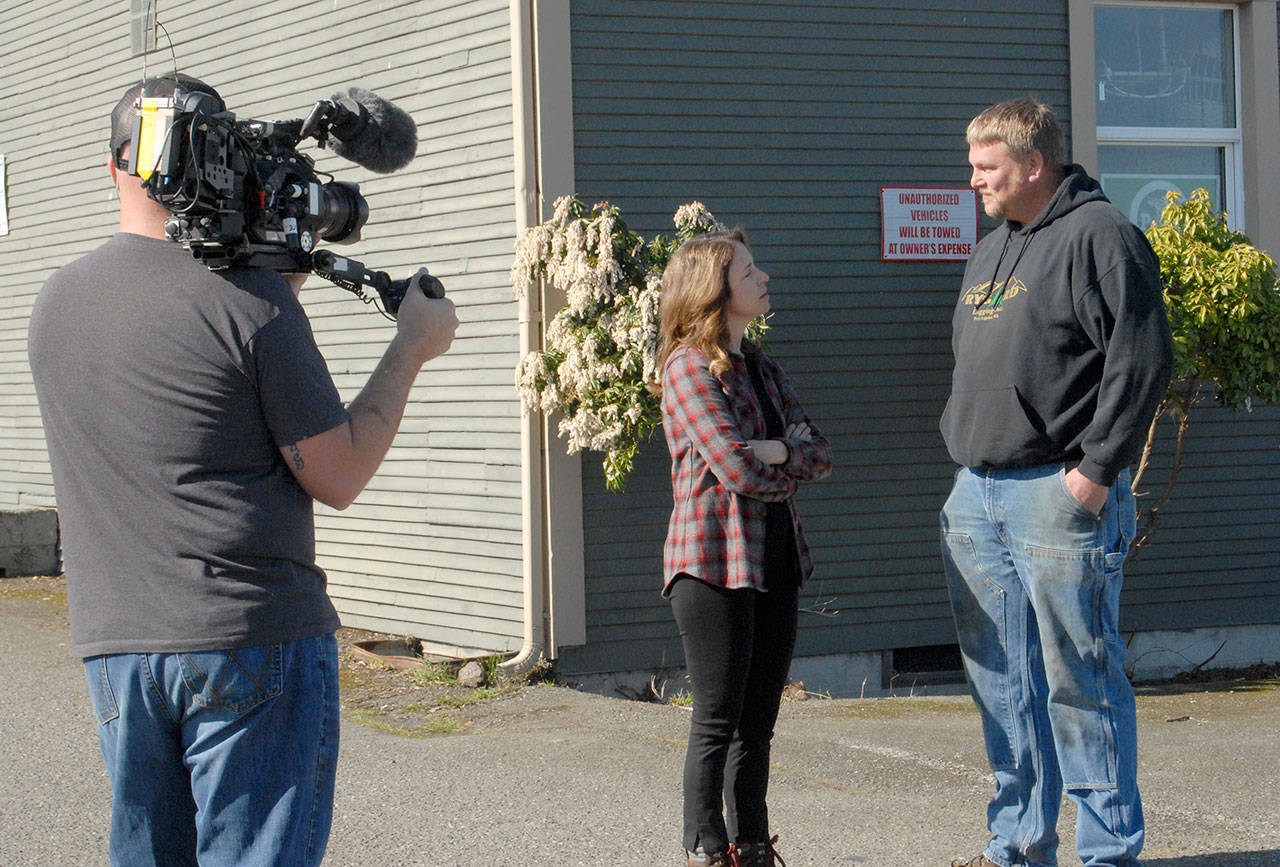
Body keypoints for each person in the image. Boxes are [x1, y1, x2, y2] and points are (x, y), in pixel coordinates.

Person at [27, 73, 459, 866]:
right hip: (250, 639)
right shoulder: (253, 305)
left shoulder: (56, 302)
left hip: (116, 647)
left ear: (113, 166)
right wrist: (412, 346)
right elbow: (340, 471)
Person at [940, 98, 1174, 867]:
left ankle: (1107, 852)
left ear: (1034, 164)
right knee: (1005, 686)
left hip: (1057, 495)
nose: (973, 180)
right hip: (978, 495)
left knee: (1081, 682)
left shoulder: (1100, 235)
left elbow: (1141, 359)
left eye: (988, 167)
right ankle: (1017, 843)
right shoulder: (992, 250)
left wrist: (1095, 474)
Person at [658, 229, 833, 867]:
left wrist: (780, 450)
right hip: (710, 563)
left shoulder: (762, 366)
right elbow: (735, 470)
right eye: (750, 272)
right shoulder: (686, 368)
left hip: (776, 556)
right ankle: (705, 847)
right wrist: (776, 456)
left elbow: (821, 453)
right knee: (716, 720)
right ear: (715, 292)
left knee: (758, 723)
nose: (763, 279)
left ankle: (752, 846)